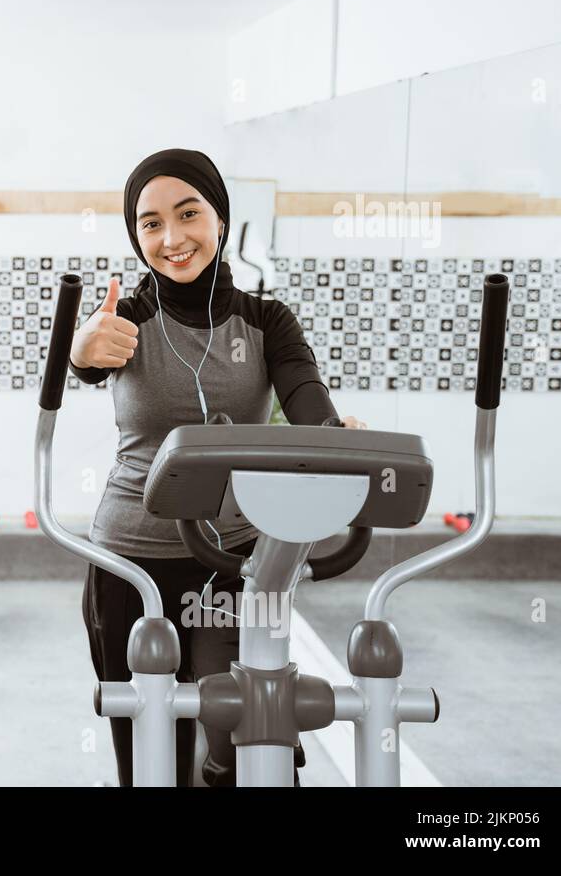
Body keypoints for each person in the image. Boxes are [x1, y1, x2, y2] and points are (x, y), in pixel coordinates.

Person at [69, 148, 366, 787]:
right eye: (151, 223)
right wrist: (82, 351)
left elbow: (306, 397)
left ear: (221, 219)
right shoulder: (126, 321)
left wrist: (333, 434)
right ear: (136, 236)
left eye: (188, 214)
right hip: (129, 561)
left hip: (233, 560)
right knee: (151, 752)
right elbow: (89, 358)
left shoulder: (265, 321)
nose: (172, 238)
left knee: (238, 743)